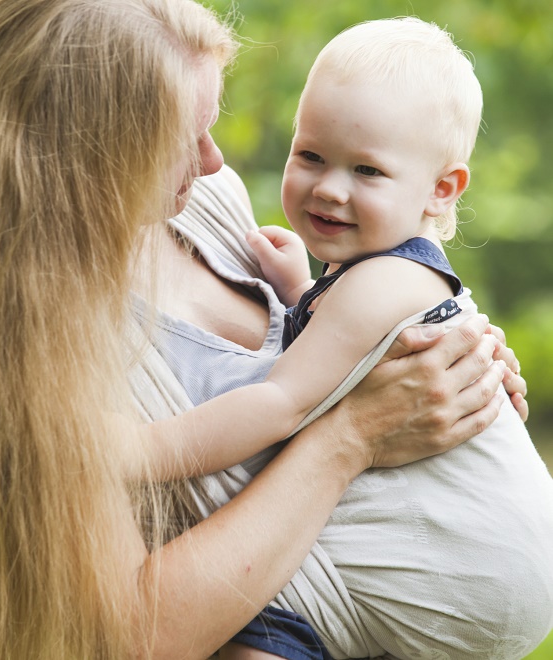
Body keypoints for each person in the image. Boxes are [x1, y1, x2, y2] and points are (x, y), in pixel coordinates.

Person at [0, 1, 527, 659]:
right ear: (75, 154)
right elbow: (132, 635)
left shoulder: (208, 206)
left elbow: (349, 330)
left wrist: (463, 364)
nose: (215, 162)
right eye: (180, 139)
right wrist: (354, 434)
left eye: (210, 125)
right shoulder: (8, 350)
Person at [128, 17, 553, 660]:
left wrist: (136, 452)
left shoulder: (383, 283)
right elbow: (342, 358)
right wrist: (302, 291)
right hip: (370, 594)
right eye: (311, 156)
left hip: (469, 570)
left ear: (441, 190)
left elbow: (281, 403)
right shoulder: (364, 279)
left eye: (368, 171)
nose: (330, 187)